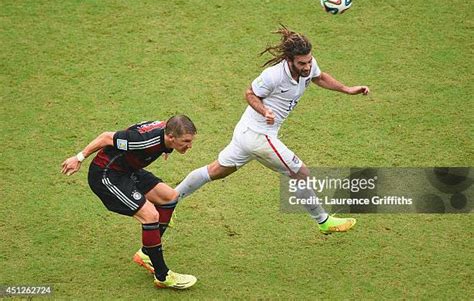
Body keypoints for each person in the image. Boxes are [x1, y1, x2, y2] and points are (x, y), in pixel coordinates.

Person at [174, 25, 370, 234]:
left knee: (215, 171)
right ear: (289, 60)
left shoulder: (308, 65)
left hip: (248, 133)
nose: (306, 67)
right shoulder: (273, 76)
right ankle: (323, 221)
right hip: (258, 135)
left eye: (309, 61)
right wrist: (265, 110)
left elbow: (319, 77)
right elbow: (250, 94)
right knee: (300, 172)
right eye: (301, 63)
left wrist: (348, 89)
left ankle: (169, 199)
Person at [61, 115, 197, 290]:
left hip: (127, 170)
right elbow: (106, 137)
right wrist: (78, 158)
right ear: (171, 136)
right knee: (151, 216)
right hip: (106, 175)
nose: (189, 145)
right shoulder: (142, 142)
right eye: (186, 141)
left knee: (169, 197)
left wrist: (165, 148)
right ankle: (162, 276)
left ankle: (147, 254)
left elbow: (147, 126)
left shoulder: (167, 130)